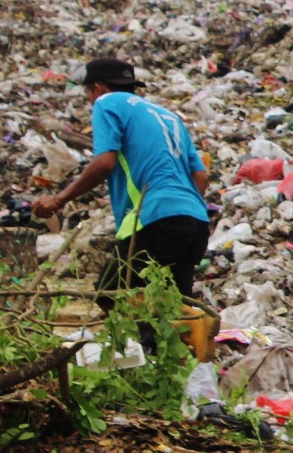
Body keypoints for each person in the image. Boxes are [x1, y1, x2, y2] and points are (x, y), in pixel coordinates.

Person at [32, 57, 212, 306]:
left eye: (88, 94)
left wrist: (58, 199)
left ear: (98, 88)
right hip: (196, 221)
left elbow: (105, 162)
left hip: (154, 217)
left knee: (111, 296)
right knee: (174, 306)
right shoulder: (169, 117)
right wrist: (181, 210)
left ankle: (145, 334)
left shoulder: (106, 102)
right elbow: (201, 176)